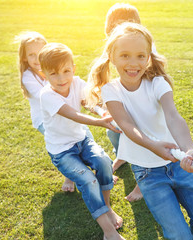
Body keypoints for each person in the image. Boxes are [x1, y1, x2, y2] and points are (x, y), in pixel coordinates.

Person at [87, 22, 193, 240]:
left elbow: (173, 116)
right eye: (125, 55)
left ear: (148, 57)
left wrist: (189, 149)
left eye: (140, 56)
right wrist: (152, 145)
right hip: (148, 174)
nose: (133, 63)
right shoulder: (111, 91)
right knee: (179, 235)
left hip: (178, 166)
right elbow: (127, 126)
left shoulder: (158, 83)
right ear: (112, 56)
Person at [38, 43, 124, 240]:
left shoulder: (76, 83)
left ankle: (108, 208)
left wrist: (103, 112)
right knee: (88, 180)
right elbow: (73, 114)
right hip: (62, 151)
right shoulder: (47, 95)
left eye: (66, 71)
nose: (62, 79)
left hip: (82, 140)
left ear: (73, 68)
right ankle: (109, 232)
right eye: (54, 74)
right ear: (44, 75)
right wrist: (101, 122)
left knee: (104, 163)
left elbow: (89, 103)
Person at [15, 31, 77, 192]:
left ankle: (101, 170)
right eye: (32, 55)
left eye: (40, 53)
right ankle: (70, 178)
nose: (37, 59)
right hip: (44, 120)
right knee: (66, 144)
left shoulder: (54, 69)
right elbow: (48, 96)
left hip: (62, 115)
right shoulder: (28, 77)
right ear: (25, 58)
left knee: (84, 137)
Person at [103, 3, 148, 202]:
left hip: (143, 104)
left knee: (142, 139)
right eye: (114, 27)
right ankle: (122, 155)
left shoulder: (144, 46)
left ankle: (143, 183)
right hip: (124, 101)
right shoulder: (113, 47)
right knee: (112, 129)